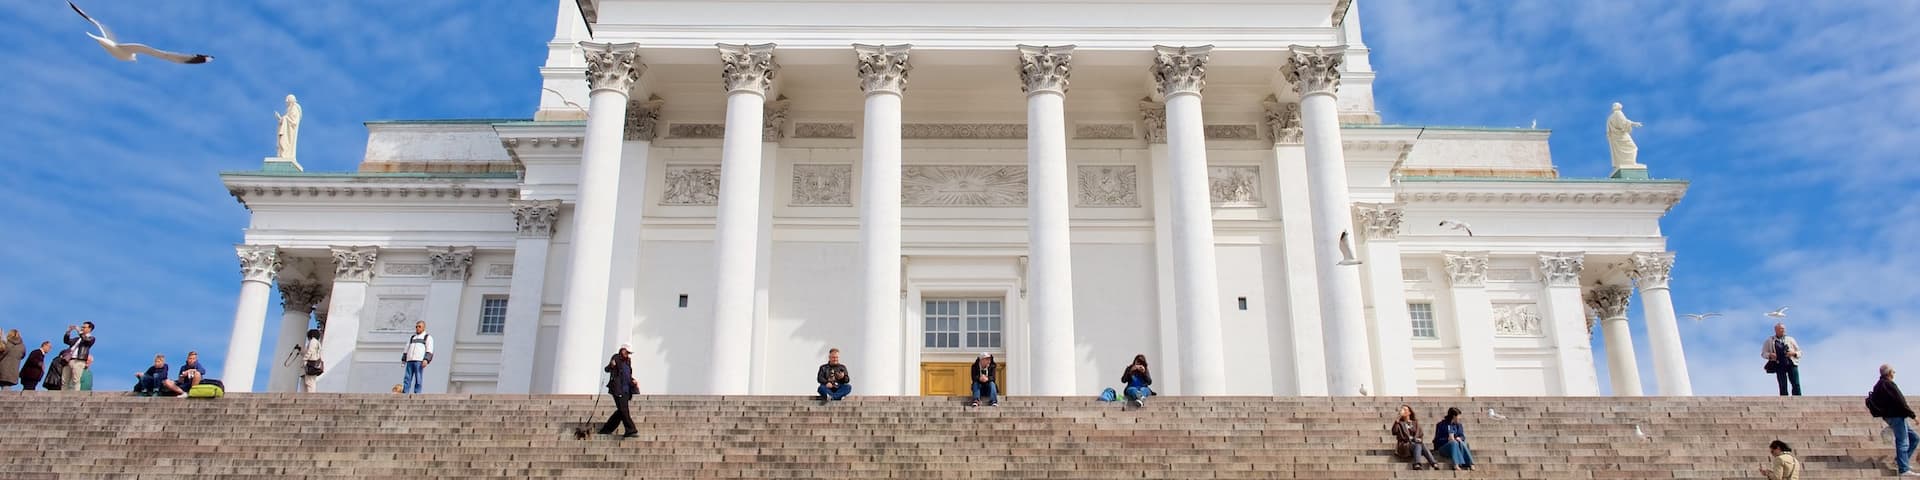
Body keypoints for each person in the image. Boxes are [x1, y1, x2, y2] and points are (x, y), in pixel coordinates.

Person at [1868, 364, 1920, 476]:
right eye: (1893, 372)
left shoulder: (1878, 385)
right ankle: (1904, 469)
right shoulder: (1888, 384)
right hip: (1896, 417)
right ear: (1890, 373)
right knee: (1903, 441)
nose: (1894, 373)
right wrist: (1913, 416)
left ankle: (1899, 461)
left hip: (1891, 417)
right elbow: (1900, 400)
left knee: (1915, 438)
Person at [599, 344, 640, 438]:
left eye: (629, 353)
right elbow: (607, 369)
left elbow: (627, 375)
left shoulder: (628, 361)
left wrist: (633, 381)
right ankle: (631, 430)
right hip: (617, 389)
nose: (628, 354)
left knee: (621, 411)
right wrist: (611, 365)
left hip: (626, 390)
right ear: (622, 350)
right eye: (627, 352)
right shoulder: (616, 357)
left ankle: (606, 429)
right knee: (624, 410)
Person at [1392, 404, 1440, 470]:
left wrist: (1418, 439)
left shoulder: (1415, 423)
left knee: (1420, 444)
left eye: (1405, 409)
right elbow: (1394, 432)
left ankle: (1419, 464)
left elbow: (1420, 434)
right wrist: (1397, 419)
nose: (1403, 411)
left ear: (1409, 412)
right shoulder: (1399, 423)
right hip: (1405, 445)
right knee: (1419, 445)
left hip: (1415, 444)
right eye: (1402, 409)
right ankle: (1433, 463)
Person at [1763, 323, 1802, 396]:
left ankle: (1798, 399)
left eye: (1784, 328)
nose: (1783, 330)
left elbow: (1800, 352)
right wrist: (1770, 355)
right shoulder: (1770, 340)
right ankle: (1784, 400)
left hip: (1791, 363)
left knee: (1796, 383)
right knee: (1782, 384)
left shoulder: (1790, 339)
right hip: (1779, 364)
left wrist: (1793, 353)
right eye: (1781, 328)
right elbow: (1763, 353)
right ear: (1776, 330)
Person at [399, 321, 434, 394]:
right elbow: (406, 348)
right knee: (407, 378)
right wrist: (403, 359)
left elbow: (429, 349)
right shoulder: (412, 337)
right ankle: (405, 392)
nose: (417, 328)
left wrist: (426, 360)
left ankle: (417, 392)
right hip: (410, 360)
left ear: (423, 328)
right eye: (416, 327)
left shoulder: (427, 337)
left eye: (419, 326)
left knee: (418, 378)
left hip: (419, 361)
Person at [61, 322, 97, 391]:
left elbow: (86, 341)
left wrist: (79, 332)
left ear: (90, 329)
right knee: (64, 380)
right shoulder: (77, 339)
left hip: (79, 360)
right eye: (82, 327)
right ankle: (63, 395)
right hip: (69, 360)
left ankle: (76, 395)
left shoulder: (91, 338)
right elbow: (66, 341)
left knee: (75, 380)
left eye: (84, 327)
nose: (82, 328)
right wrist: (68, 332)